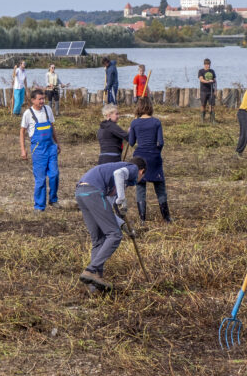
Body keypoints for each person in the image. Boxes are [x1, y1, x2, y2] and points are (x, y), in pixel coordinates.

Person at [75, 157, 147, 291]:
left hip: (81, 192)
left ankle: (94, 286)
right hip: (93, 191)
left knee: (98, 240)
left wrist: (124, 226)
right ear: (141, 171)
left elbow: (105, 212)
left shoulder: (112, 183)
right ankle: (91, 270)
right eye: (142, 176)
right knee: (114, 235)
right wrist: (122, 198)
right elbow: (119, 174)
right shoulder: (132, 168)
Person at [127, 96, 171, 223]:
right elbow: (160, 142)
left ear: (139, 107)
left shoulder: (134, 123)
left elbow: (131, 142)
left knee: (140, 188)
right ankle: (166, 218)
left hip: (139, 157)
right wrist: (156, 152)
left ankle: (142, 219)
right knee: (160, 187)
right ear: (150, 107)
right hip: (154, 156)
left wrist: (130, 131)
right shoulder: (156, 122)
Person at [19, 88, 60, 211]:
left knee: (54, 175)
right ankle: (39, 206)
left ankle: (53, 199)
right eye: (40, 99)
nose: (42, 101)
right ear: (33, 100)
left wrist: (57, 143)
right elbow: (22, 132)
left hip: (51, 147)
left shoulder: (48, 109)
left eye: (43, 98)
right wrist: (23, 149)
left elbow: (52, 127)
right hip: (38, 150)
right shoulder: (28, 114)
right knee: (41, 179)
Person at [197, 58, 217, 123]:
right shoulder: (201, 71)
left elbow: (215, 81)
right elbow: (201, 80)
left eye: (209, 64)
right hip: (203, 91)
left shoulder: (212, 71)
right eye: (207, 64)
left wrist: (215, 90)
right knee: (203, 105)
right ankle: (202, 120)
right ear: (204, 65)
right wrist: (208, 81)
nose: (208, 66)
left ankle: (212, 120)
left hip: (211, 91)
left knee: (212, 105)